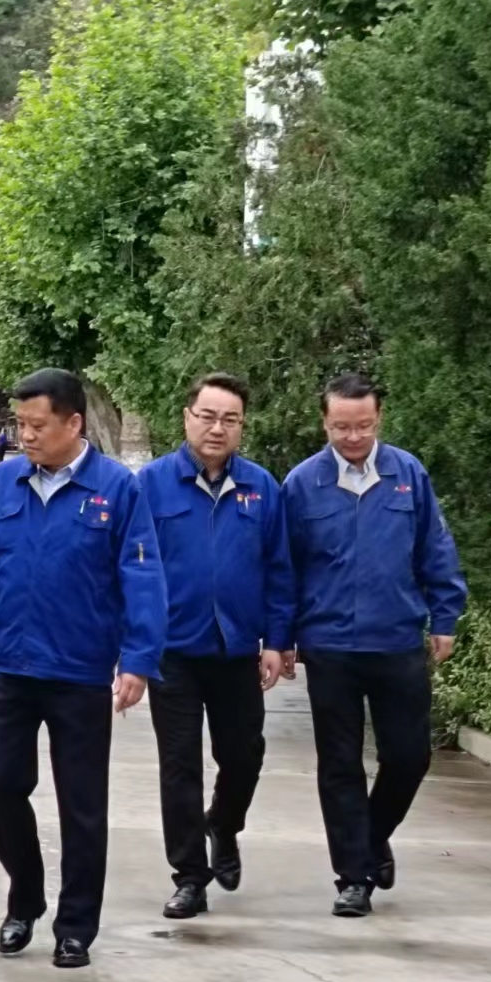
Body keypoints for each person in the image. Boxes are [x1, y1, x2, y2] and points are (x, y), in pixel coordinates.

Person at [0, 368, 166, 970]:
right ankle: (25, 896)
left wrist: (138, 658)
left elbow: (142, 576)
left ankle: (75, 927)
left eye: (38, 425)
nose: (27, 435)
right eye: (20, 424)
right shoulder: (3, 483)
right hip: (9, 663)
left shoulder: (117, 489)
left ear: (73, 423)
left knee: (82, 805)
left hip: (79, 670)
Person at [284, 372, 467, 918]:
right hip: (330, 645)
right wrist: (281, 635)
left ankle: (370, 838)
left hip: (396, 640)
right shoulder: (302, 484)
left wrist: (445, 616)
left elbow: (435, 548)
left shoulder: (408, 474)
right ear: (324, 422)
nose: (353, 437)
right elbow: (284, 568)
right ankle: (353, 877)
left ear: (378, 418)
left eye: (363, 426)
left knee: (409, 757)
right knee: (340, 764)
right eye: (341, 427)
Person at [136, 374, 294, 920]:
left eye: (230, 419)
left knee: (244, 756)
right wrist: (133, 642)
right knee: (179, 765)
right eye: (207, 416)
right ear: (187, 418)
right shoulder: (151, 485)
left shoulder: (261, 487)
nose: (217, 428)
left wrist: (277, 640)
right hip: (172, 651)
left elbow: (279, 568)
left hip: (236, 650)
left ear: (242, 427)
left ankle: (223, 825)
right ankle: (189, 877)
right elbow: (132, 567)